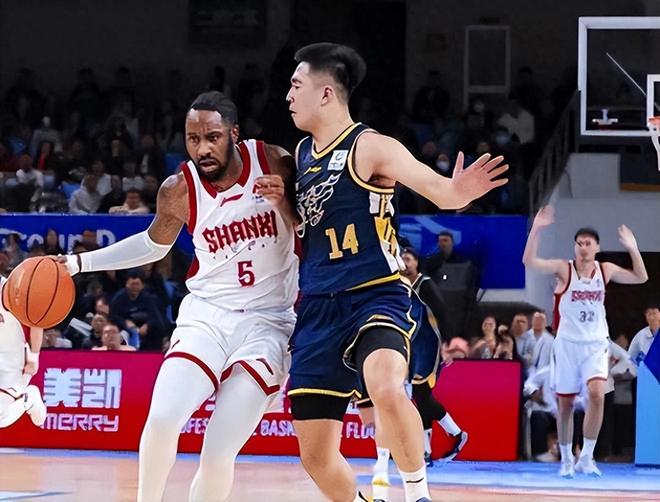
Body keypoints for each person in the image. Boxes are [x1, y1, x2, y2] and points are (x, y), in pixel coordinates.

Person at [286, 42, 507, 502]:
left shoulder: (372, 147)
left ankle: (418, 494)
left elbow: (440, 191)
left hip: (375, 293)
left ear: (325, 94)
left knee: (386, 387)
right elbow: (307, 224)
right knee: (314, 455)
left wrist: (458, 190)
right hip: (318, 306)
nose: (288, 95)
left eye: (296, 85)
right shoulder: (302, 154)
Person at [61, 91, 299, 501]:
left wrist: (285, 204)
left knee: (218, 452)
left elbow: (312, 227)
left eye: (213, 137)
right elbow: (153, 245)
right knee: (162, 420)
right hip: (206, 316)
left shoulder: (275, 162)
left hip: (268, 322)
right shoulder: (179, 189)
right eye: (193, 139)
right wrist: (79, 263)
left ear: (234, 135)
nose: (202, 148)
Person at [523, 205, 648, 478]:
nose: (583, 248)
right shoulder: (564, 269)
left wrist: (633, 247)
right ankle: (567, 459)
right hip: (567, 345)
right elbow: (529, 262)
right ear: (575, 247)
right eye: (579, 243)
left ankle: (587, 458)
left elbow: (641, 277)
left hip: (595, 344)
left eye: (588, 243)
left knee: (597, 394)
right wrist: (537, 229)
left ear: (597, 248)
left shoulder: (605, 270)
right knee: (565, 404)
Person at [356, 247, 468, 501]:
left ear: (417, 262)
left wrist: (449, 341)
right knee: (402, 398)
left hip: (426, 343)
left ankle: (453, 434)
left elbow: (442, 312)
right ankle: (422, 451)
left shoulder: (423, 284)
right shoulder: (387, 282)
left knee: (420, 396)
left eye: (409, 258)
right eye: (402, 258)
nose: (404, 262)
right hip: (402, 343)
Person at [0, 275, 47, 428]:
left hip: (12, 359)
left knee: (1, 419)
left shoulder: (12, 290)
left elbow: (36, 321)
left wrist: (34, 355)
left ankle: (29, 399)